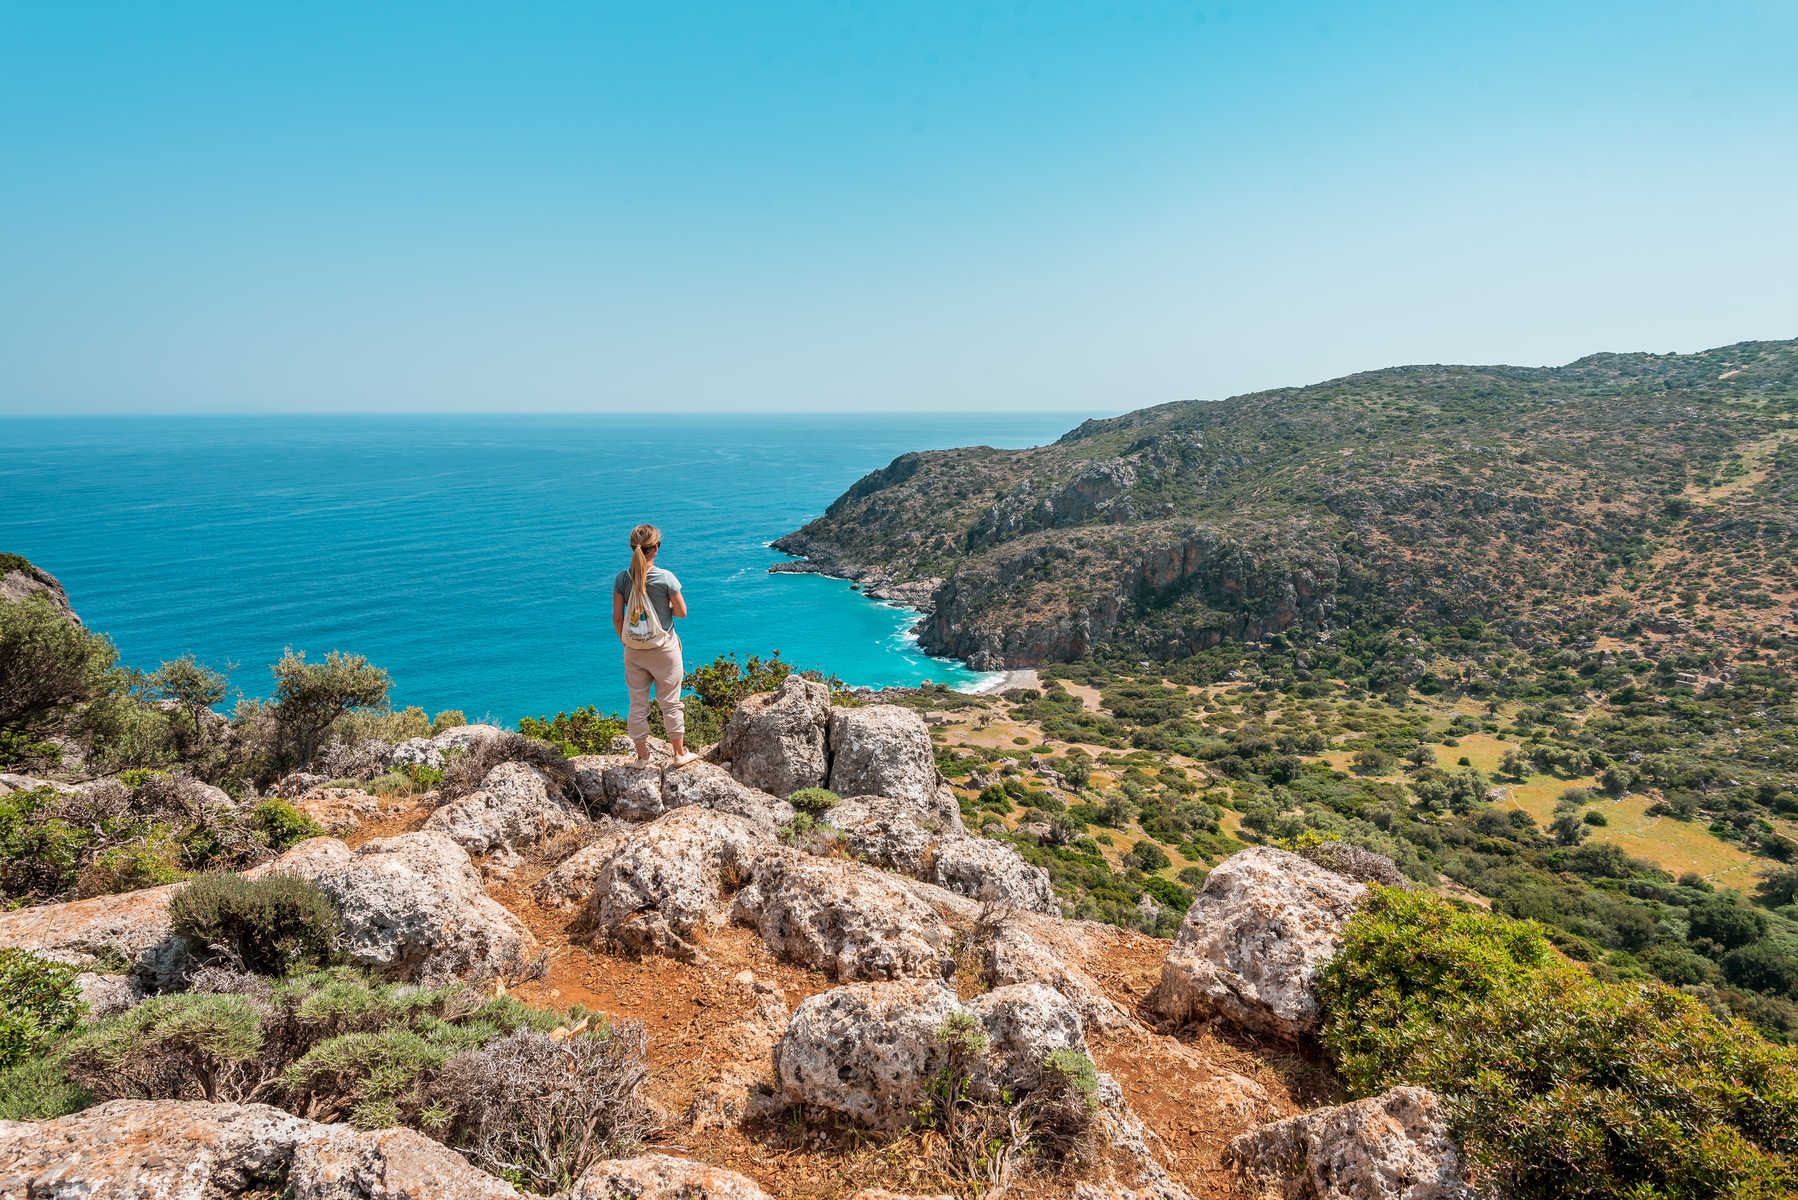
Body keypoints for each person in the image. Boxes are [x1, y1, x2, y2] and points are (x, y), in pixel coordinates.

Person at [613, 523, 698, 767]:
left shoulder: (622, 579)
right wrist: (665, 608)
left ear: (633, 548)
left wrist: (628, 642)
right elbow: (681, 612)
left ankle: (642, 757)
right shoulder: (665, 577)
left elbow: (618, 618)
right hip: (664, 649)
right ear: (656, 548)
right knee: (670, 702)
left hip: (634, 651)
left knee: (637, 703)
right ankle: (680, 754)